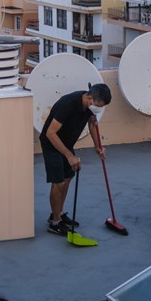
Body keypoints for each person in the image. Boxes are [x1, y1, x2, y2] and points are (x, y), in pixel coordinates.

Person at [40, 83, 111, 236]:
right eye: (99, 106)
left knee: (67, 178)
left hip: (66, 143)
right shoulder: (67, 105)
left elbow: (92, 124)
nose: (99, 110)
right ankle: (55, 223)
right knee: (58, 182)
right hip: (51, 143)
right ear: (90, 98)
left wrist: (98, 146)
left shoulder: (90, 106)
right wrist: (69, 156)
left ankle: (58, 213)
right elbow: (50, 133)